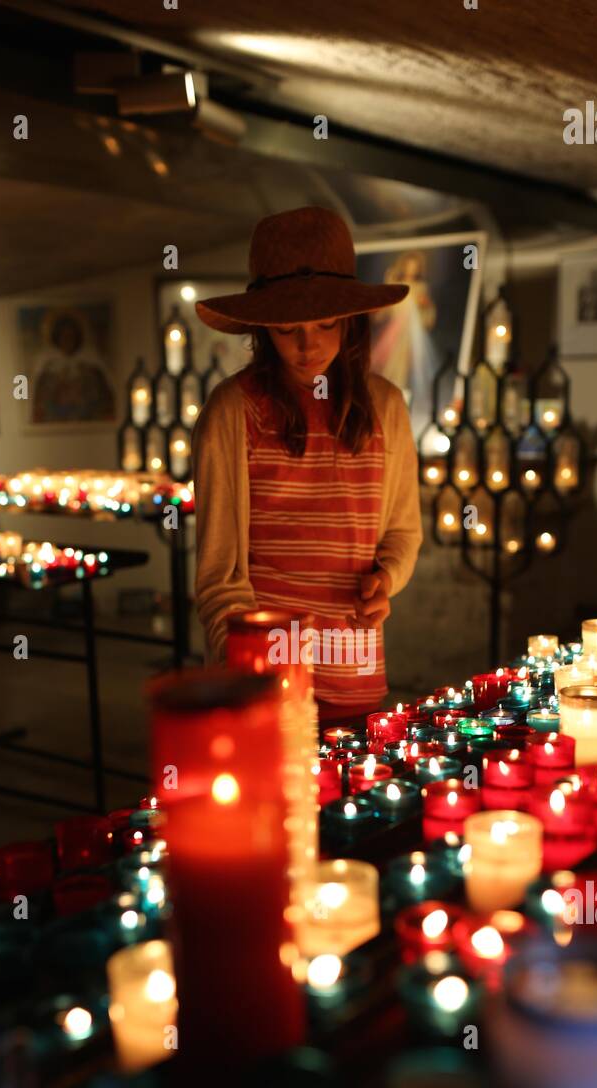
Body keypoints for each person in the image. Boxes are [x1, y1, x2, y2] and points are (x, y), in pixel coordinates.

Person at [192, 205, 422, 726]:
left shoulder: (385, 408)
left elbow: (403, 532)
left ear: (351, 321)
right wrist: (257, 670)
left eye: (326, 323)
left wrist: (385, 579)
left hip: (354, 677)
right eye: (287, 329)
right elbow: (219, 574)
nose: (308, 346)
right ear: (261, 330)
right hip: (263, 681)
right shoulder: (232, 412)